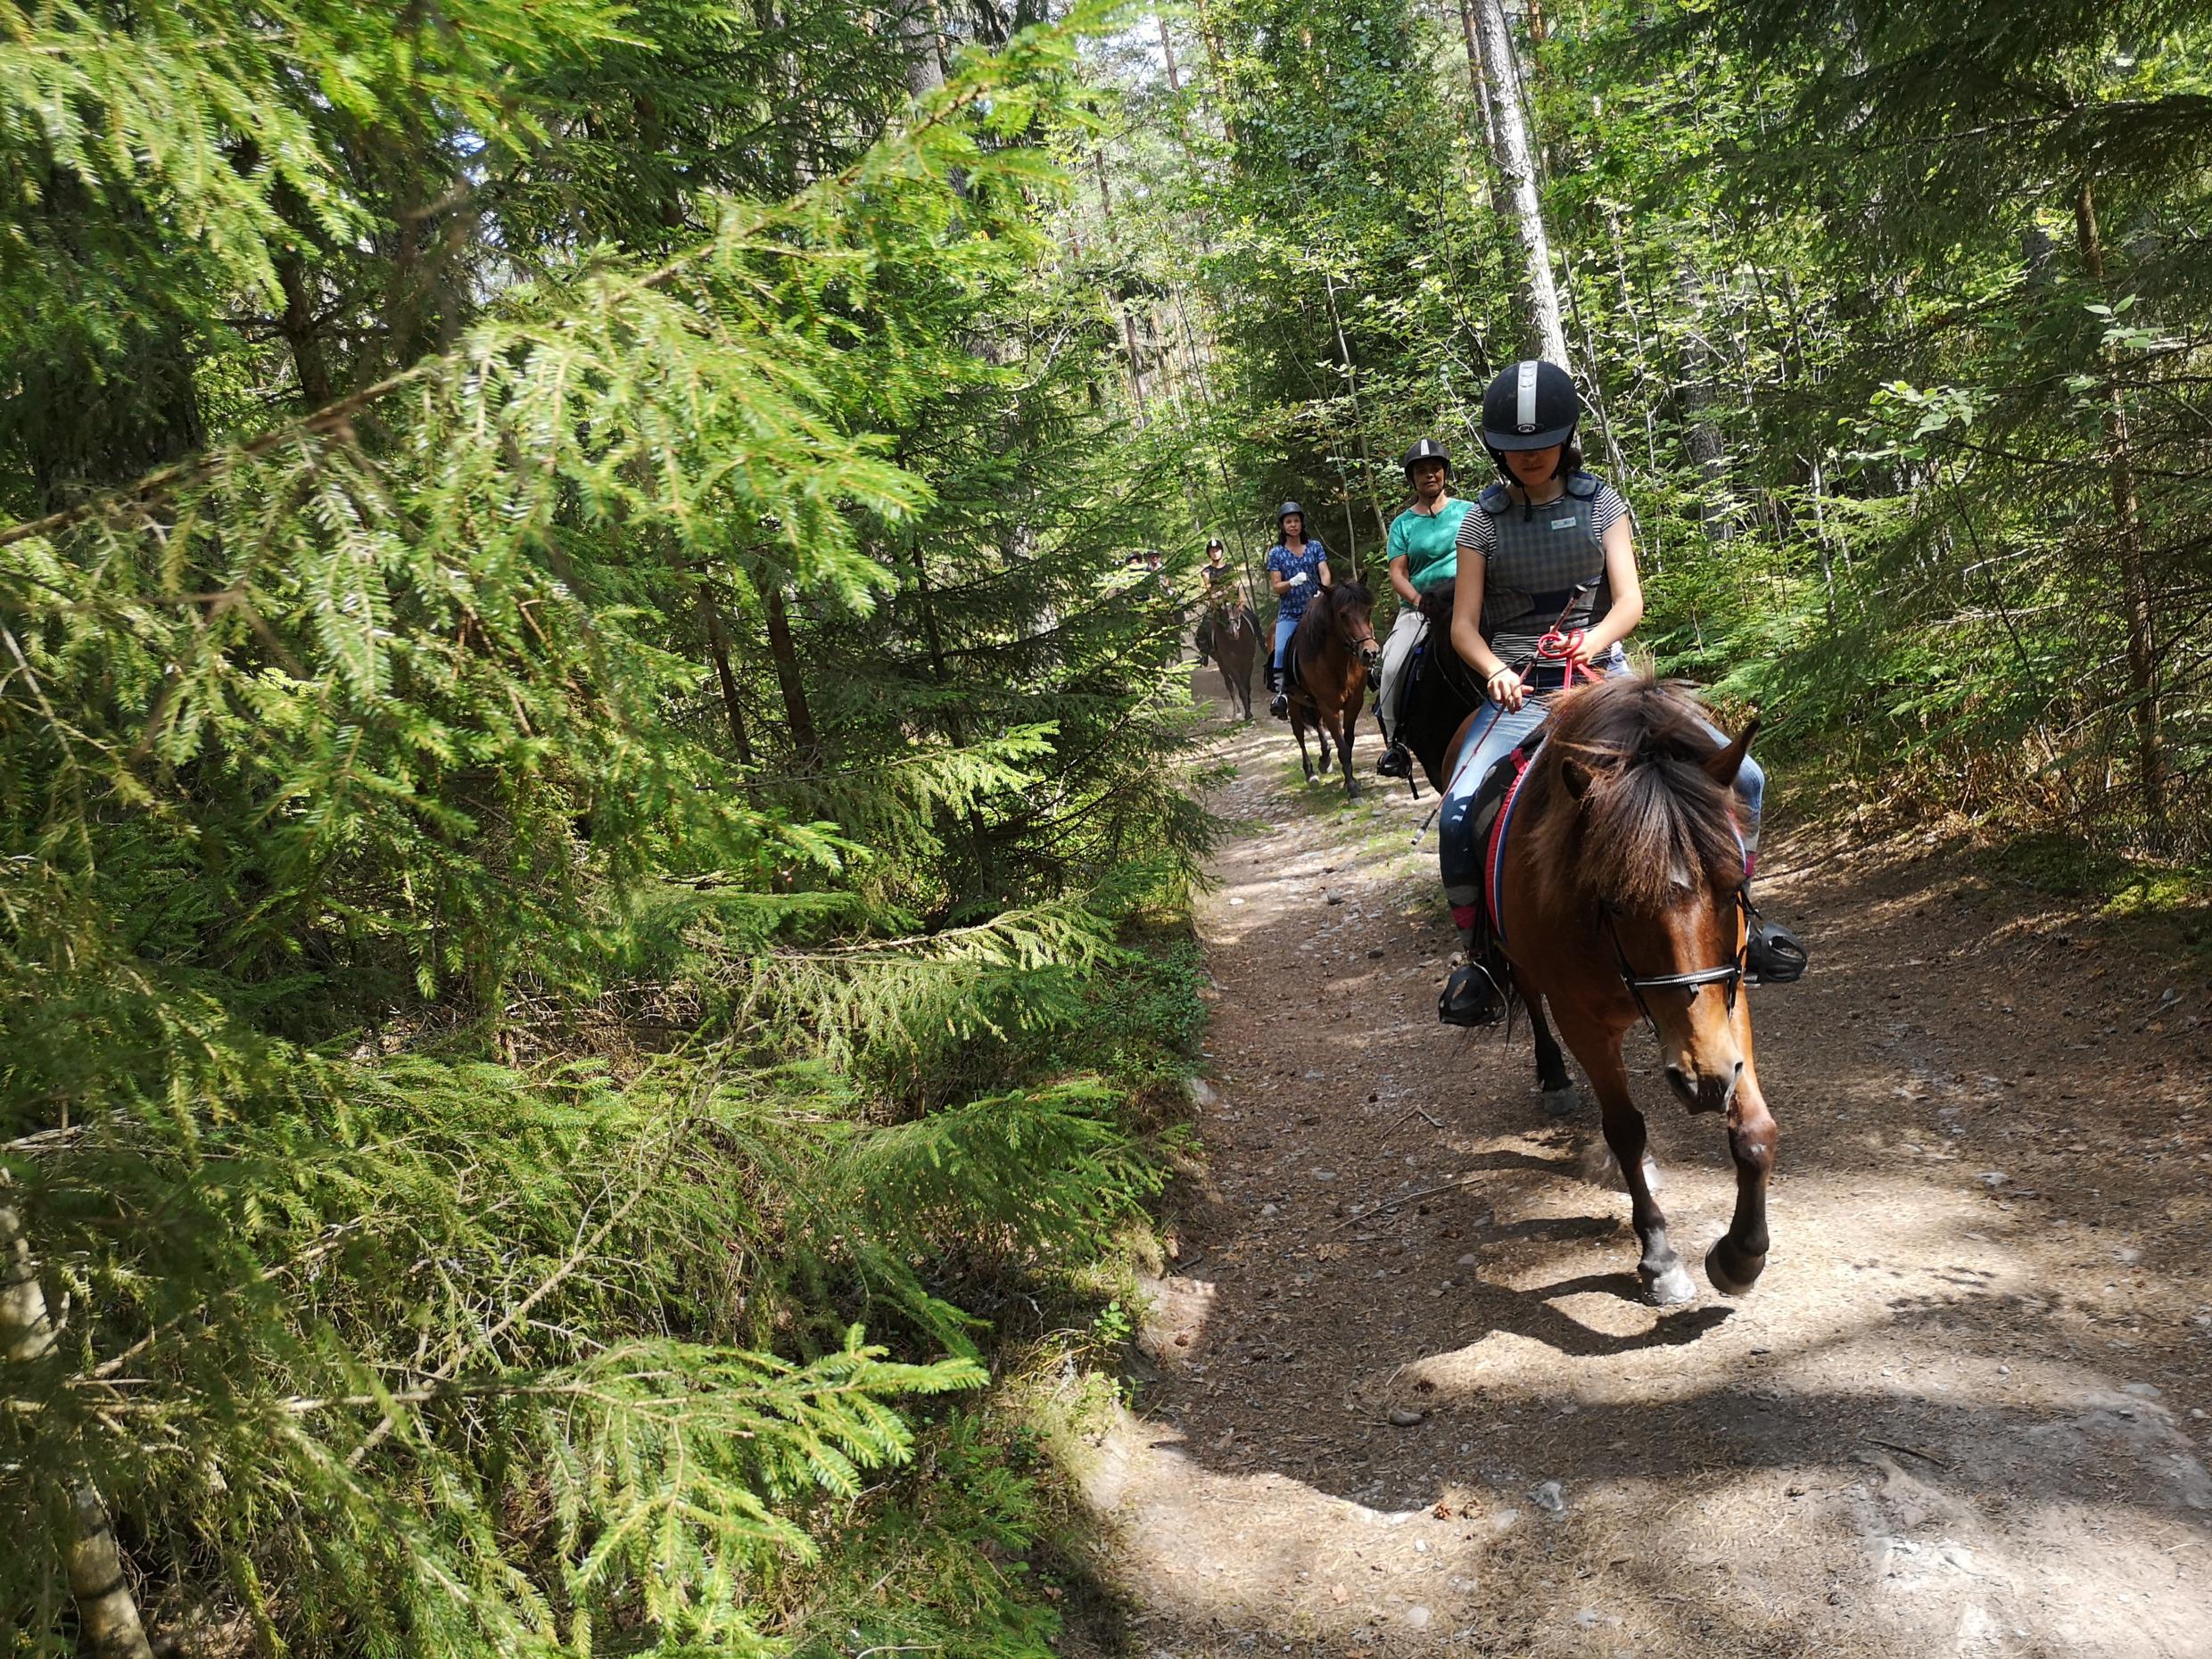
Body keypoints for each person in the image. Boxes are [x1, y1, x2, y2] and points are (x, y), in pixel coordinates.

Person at [1433, 360, 1809, 1026]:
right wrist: (1492, 668)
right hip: (1522, 689)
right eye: (1517, 449)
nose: (1531, 457)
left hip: (1609, 677)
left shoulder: (1601, 502)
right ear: (1499, 451)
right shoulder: (1479, 524)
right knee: (1461, 812)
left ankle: (1743, 915)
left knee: (1745, 775)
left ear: (1566, 437)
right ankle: (1483, 958)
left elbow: (1629, 599)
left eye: (1542, 444)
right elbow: (1464, 625)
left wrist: (1595, 637)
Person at [1374, 438, 1472, 779]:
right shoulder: (1402, 524)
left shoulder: (1468, 511)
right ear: (1412, 479)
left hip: (1469, 601)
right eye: (1421, 470)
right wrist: (1419, 601)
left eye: (1435, 468)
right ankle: (1395, 744)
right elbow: (1398, 573)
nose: (1429, 475)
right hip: (1420, 608)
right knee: (1391, 667)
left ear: (1445, 472)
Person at [1264, 502, 1332, 719]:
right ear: (1282, 526)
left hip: (1316, 611)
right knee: (1282, 650)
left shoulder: (1315, 547)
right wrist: (1291, 582)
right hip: (1290, 613)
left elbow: (1325, 573)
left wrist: (1322, 592)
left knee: (1344, 635)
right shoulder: (1276, 553)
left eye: (1296, 521)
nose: (1293, 525)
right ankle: (1282, 694)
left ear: (1302, 523)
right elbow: (1276, 586)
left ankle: (1365, 676)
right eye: (1288, 521)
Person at [1194, 538, 1235, 665]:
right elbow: (1208, 588)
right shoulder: (1206, 571)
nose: (1215, 553)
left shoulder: (1230, 568)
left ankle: (1261, 641)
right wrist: (1216, 596)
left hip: (1232, 602)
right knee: (1202, 630)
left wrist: (1240, 601)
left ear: (1222, 551)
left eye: (1217, 550)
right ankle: (1204, 654)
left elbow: (1235, 585)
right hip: (1216, 605)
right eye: (1212, 551)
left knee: (1252, 618)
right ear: (1209, 554)